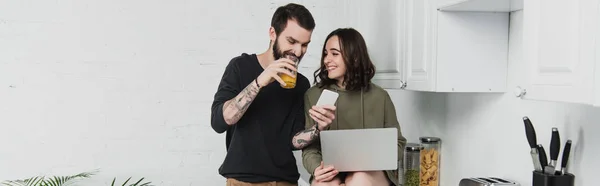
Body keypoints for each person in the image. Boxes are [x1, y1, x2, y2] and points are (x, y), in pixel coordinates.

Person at [210, 3, 319, 186]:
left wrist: (318, 128)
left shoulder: (301, 83)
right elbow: (219, 122)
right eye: (291, 41)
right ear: (272, 33)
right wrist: (260, 81)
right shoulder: (240, 67)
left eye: (305, 45)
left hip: (285, 181)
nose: (298, 52)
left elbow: (293, 141)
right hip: (242, 181)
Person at [291, 28, 407, 186]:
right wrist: (317, 168)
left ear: (354, 58)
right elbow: (310, 148)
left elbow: (398, 143)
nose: (326, 60)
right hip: (331, 169)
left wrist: (375, 160)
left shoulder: (380, 96)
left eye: (334, 53)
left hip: (371, 172)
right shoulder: (313, 95)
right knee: (324, 184)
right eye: (326, 53)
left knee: (359, 179)